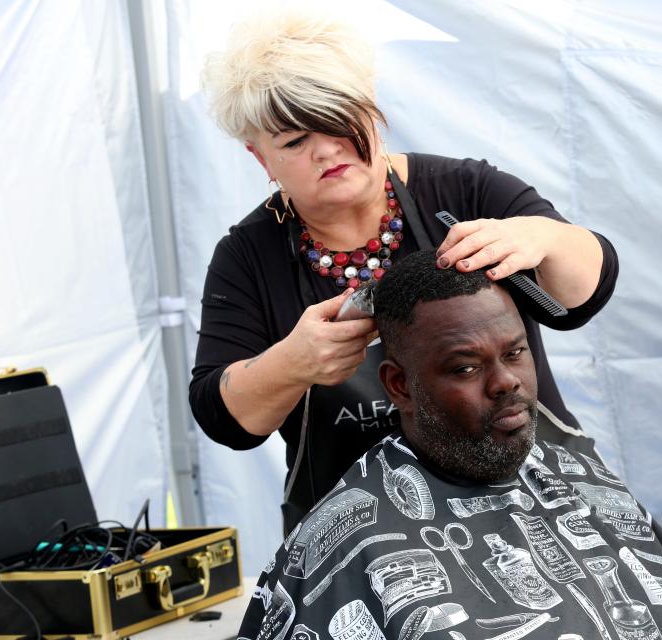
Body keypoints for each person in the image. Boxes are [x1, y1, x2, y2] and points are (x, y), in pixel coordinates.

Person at [191, 9, 619, 532]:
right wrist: (292, 364)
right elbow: (224, 418)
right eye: (294, 141)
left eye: (336, 119)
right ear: (262, 160)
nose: (326, 149)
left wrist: (546, 237)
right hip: (358, 538)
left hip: (534, 502)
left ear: (372, 111)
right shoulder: (248, 256)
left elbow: (583, 297)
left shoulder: (466, 191)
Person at [237, 251, 662, 640]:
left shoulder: (585, 480)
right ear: (400, 386)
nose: (506, 383)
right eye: (466, 368)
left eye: (515, 353)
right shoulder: (348, 544)